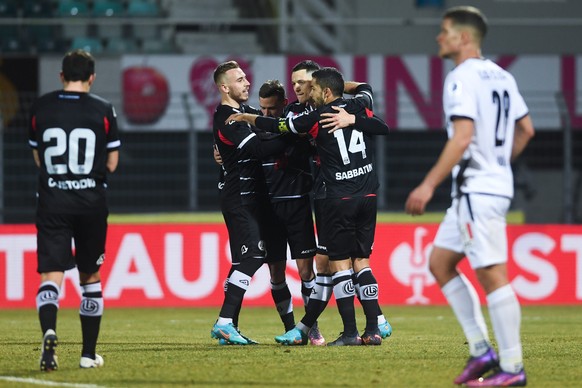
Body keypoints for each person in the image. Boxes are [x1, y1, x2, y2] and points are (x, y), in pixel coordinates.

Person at [405, 6, 534, 387]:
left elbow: (462, 137)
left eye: (444, 31)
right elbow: (526, 129)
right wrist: (498, 162)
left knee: (492, 274)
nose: (438, 38)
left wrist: (428, 184)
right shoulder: (503, 76)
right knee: (440, 263)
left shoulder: (461, 76)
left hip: (478, 190)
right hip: (478, 189)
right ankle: (482, 351)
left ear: (463, 37)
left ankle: (513, 369)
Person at [227, 67, 390, 346]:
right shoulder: (358, 105)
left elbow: (277, 127)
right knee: (359, 261)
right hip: (368, 195)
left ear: (325, 91)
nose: (302, 89)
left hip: (336, 197)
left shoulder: (314, 116)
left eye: (308, 84)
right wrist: (352, 118)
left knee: (337, 265)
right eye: (297, 84)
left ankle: (349, 332)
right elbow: (380, 121)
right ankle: (373, 324)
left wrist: (245, 117)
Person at [28, 49, 121, 371]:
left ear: (61, 75)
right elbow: (111, 163)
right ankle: (87, 354)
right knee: (90, 277)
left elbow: (39, 157)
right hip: (91, 203)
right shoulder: (103, 109)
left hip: (53, 201)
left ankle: (50, 330)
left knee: (51, 274)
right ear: (92, 76)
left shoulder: (41, 107)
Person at [210, 60, 291, 345]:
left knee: (239, 263)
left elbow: (269, 123)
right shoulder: (226, 116)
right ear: (224, 87)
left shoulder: (245, 113)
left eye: (245, 77)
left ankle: (228, 326)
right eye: (240, 78)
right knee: (254, 257)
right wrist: (294, 137)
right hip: (239, 197)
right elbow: (258, 148)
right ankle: (223, 321)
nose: (246, 82)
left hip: (252, 197)